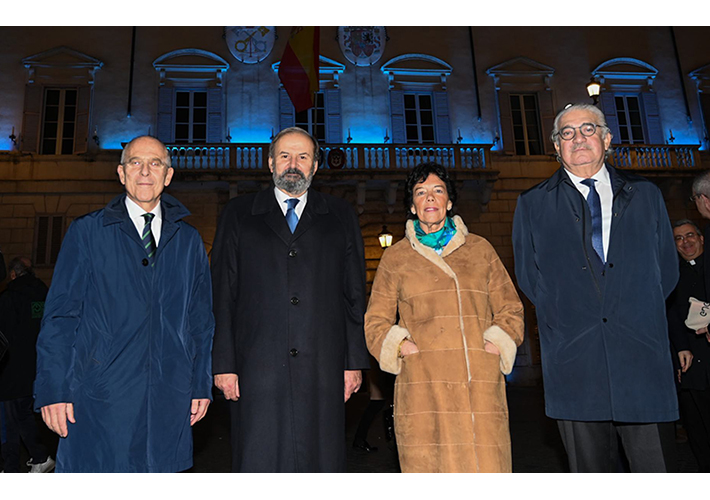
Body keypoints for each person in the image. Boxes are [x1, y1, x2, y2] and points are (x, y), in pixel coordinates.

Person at [512, 103, 680, 473]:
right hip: (574, 363)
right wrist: (569, 318)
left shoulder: (646, 195)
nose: (578, 139)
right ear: (556, 147)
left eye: (588, 129)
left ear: (607, 138)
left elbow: (666, 271)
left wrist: (631, 310)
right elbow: (529, 277)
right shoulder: (532, 204)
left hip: (641, 358)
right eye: (567, 133)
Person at [34, 136, 215, 473]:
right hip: (99, 398)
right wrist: (52, 389)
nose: (145, 171)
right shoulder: (87, 232)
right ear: (121, 173)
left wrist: (200, 383)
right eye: (135, 162)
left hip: (168, 399)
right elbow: (60, 317)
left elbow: (200, 321)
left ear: (169, 175)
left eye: (155, 163)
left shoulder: (189, 241)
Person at [211, 127, 370, 472]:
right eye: (284, 156)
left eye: (303, 157)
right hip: (257, 367)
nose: (293, 164)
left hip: (323, 367)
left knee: (321, 461)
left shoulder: (341, 215)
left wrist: (354, 360)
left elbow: (354, 292)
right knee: (260, 460)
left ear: (315, 166)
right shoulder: (238, 214)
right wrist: (223, 364)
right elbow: (223, 291)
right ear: (270, 163)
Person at [365, 162, 524, 473]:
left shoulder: (480, 250)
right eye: (421, 193)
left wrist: (492, 347)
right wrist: (403, 348)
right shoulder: (396, 257)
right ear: (412, 206)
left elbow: (511, 309)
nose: (430, 198)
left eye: (438, 191)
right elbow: (375, 323)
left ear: (449, 201)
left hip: (477, 385)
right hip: (424, 386)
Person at [0, 257, 54, 473]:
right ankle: (37, 457)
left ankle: (15, 466)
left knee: (9, 421)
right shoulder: (43, 293)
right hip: (36, 366)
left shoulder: (9, 298)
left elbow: (3, 337)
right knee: (22, 416)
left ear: (13, 274)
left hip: (11, 370)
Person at [666, 219, 710, 472]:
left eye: (690, 235)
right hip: (689, 363)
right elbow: (671, 315)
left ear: (702, 238)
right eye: (679, 238)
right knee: (696, 427)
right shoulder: (673, 275)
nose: (686, 242)